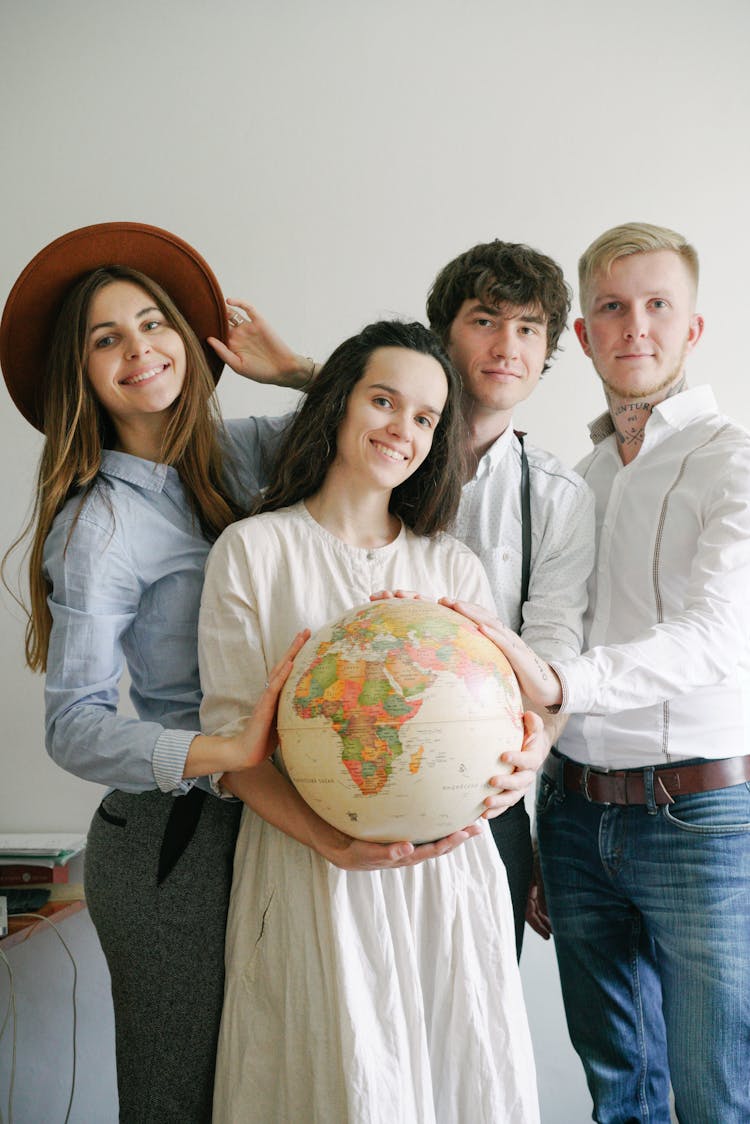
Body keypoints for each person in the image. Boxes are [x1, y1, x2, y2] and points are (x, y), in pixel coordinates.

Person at [0, 222, 307, 1123]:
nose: (139, 348)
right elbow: (74, 723)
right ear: (83, 373)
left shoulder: (247, 450)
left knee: (276, 1089)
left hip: (275, 824)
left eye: (152, 322)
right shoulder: (98, 529)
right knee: (182, 1102)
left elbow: (394, 418)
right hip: (174, 848)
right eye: (107, 338)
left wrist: (290, 369)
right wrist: (221, 749)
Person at [198, 320, 542, 1123]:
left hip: (448, 882)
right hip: (312, 873)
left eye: (426, 418)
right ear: (337, 404)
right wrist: (332, 844)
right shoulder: (252, 552)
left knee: (456, 1080)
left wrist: (528, 754)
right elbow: (232, 751)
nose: (402, 429)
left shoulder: (451, 564)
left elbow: (510, 712)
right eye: (383, 400)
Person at [212, 240, 595, 955]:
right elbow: (367, 404)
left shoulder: (551, 499)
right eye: (485, 320)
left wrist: (536, 744)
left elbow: (549, 666)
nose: (507, 346)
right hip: (314, 835)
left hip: (470, 810)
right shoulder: (263, 543)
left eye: (529, 329)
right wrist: (306, 373)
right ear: (445, 334)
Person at [446, 223, 750, 1123]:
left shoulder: (733, 460)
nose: (636, 327)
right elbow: (422, 417)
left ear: (693, 328)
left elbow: (717, 635)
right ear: (580, 337)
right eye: (612, 308)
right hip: (576, 816)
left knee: (716, 1096)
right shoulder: (574, 478)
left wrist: (561, 686)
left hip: (698, 819)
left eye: (659, 306)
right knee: (618, 1092)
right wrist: (546, 813)